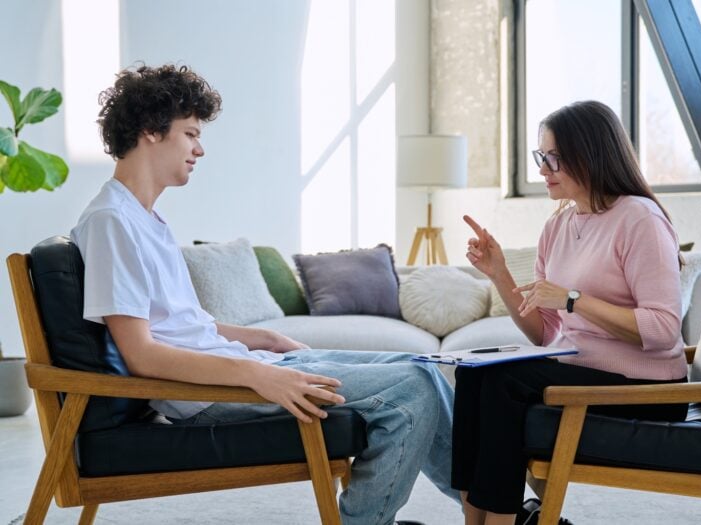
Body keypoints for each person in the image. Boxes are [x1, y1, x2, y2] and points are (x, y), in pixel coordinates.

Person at [70, 63, 456, 525]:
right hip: (206, 393)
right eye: (191, 133)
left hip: (233, 369)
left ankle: (492, 511)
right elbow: (143, 356)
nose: (200, 148)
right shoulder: (111, 222)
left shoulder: (145, 218)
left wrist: (265, 342)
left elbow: (181, 326)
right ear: (152, 130)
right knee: (410, 391)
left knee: (422, 368)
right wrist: (257, 374)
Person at [453, 100, 689, 525]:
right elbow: (544, 335)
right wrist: (499, 273)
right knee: (474, 371)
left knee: (504, 381)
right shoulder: (557, 226)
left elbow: (664, 330)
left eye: (553, 158)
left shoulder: (640, 219)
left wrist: (573, 299)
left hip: (647, 388)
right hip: (579, 371)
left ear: (591, 153)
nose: (543, 168)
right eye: (540, 157)